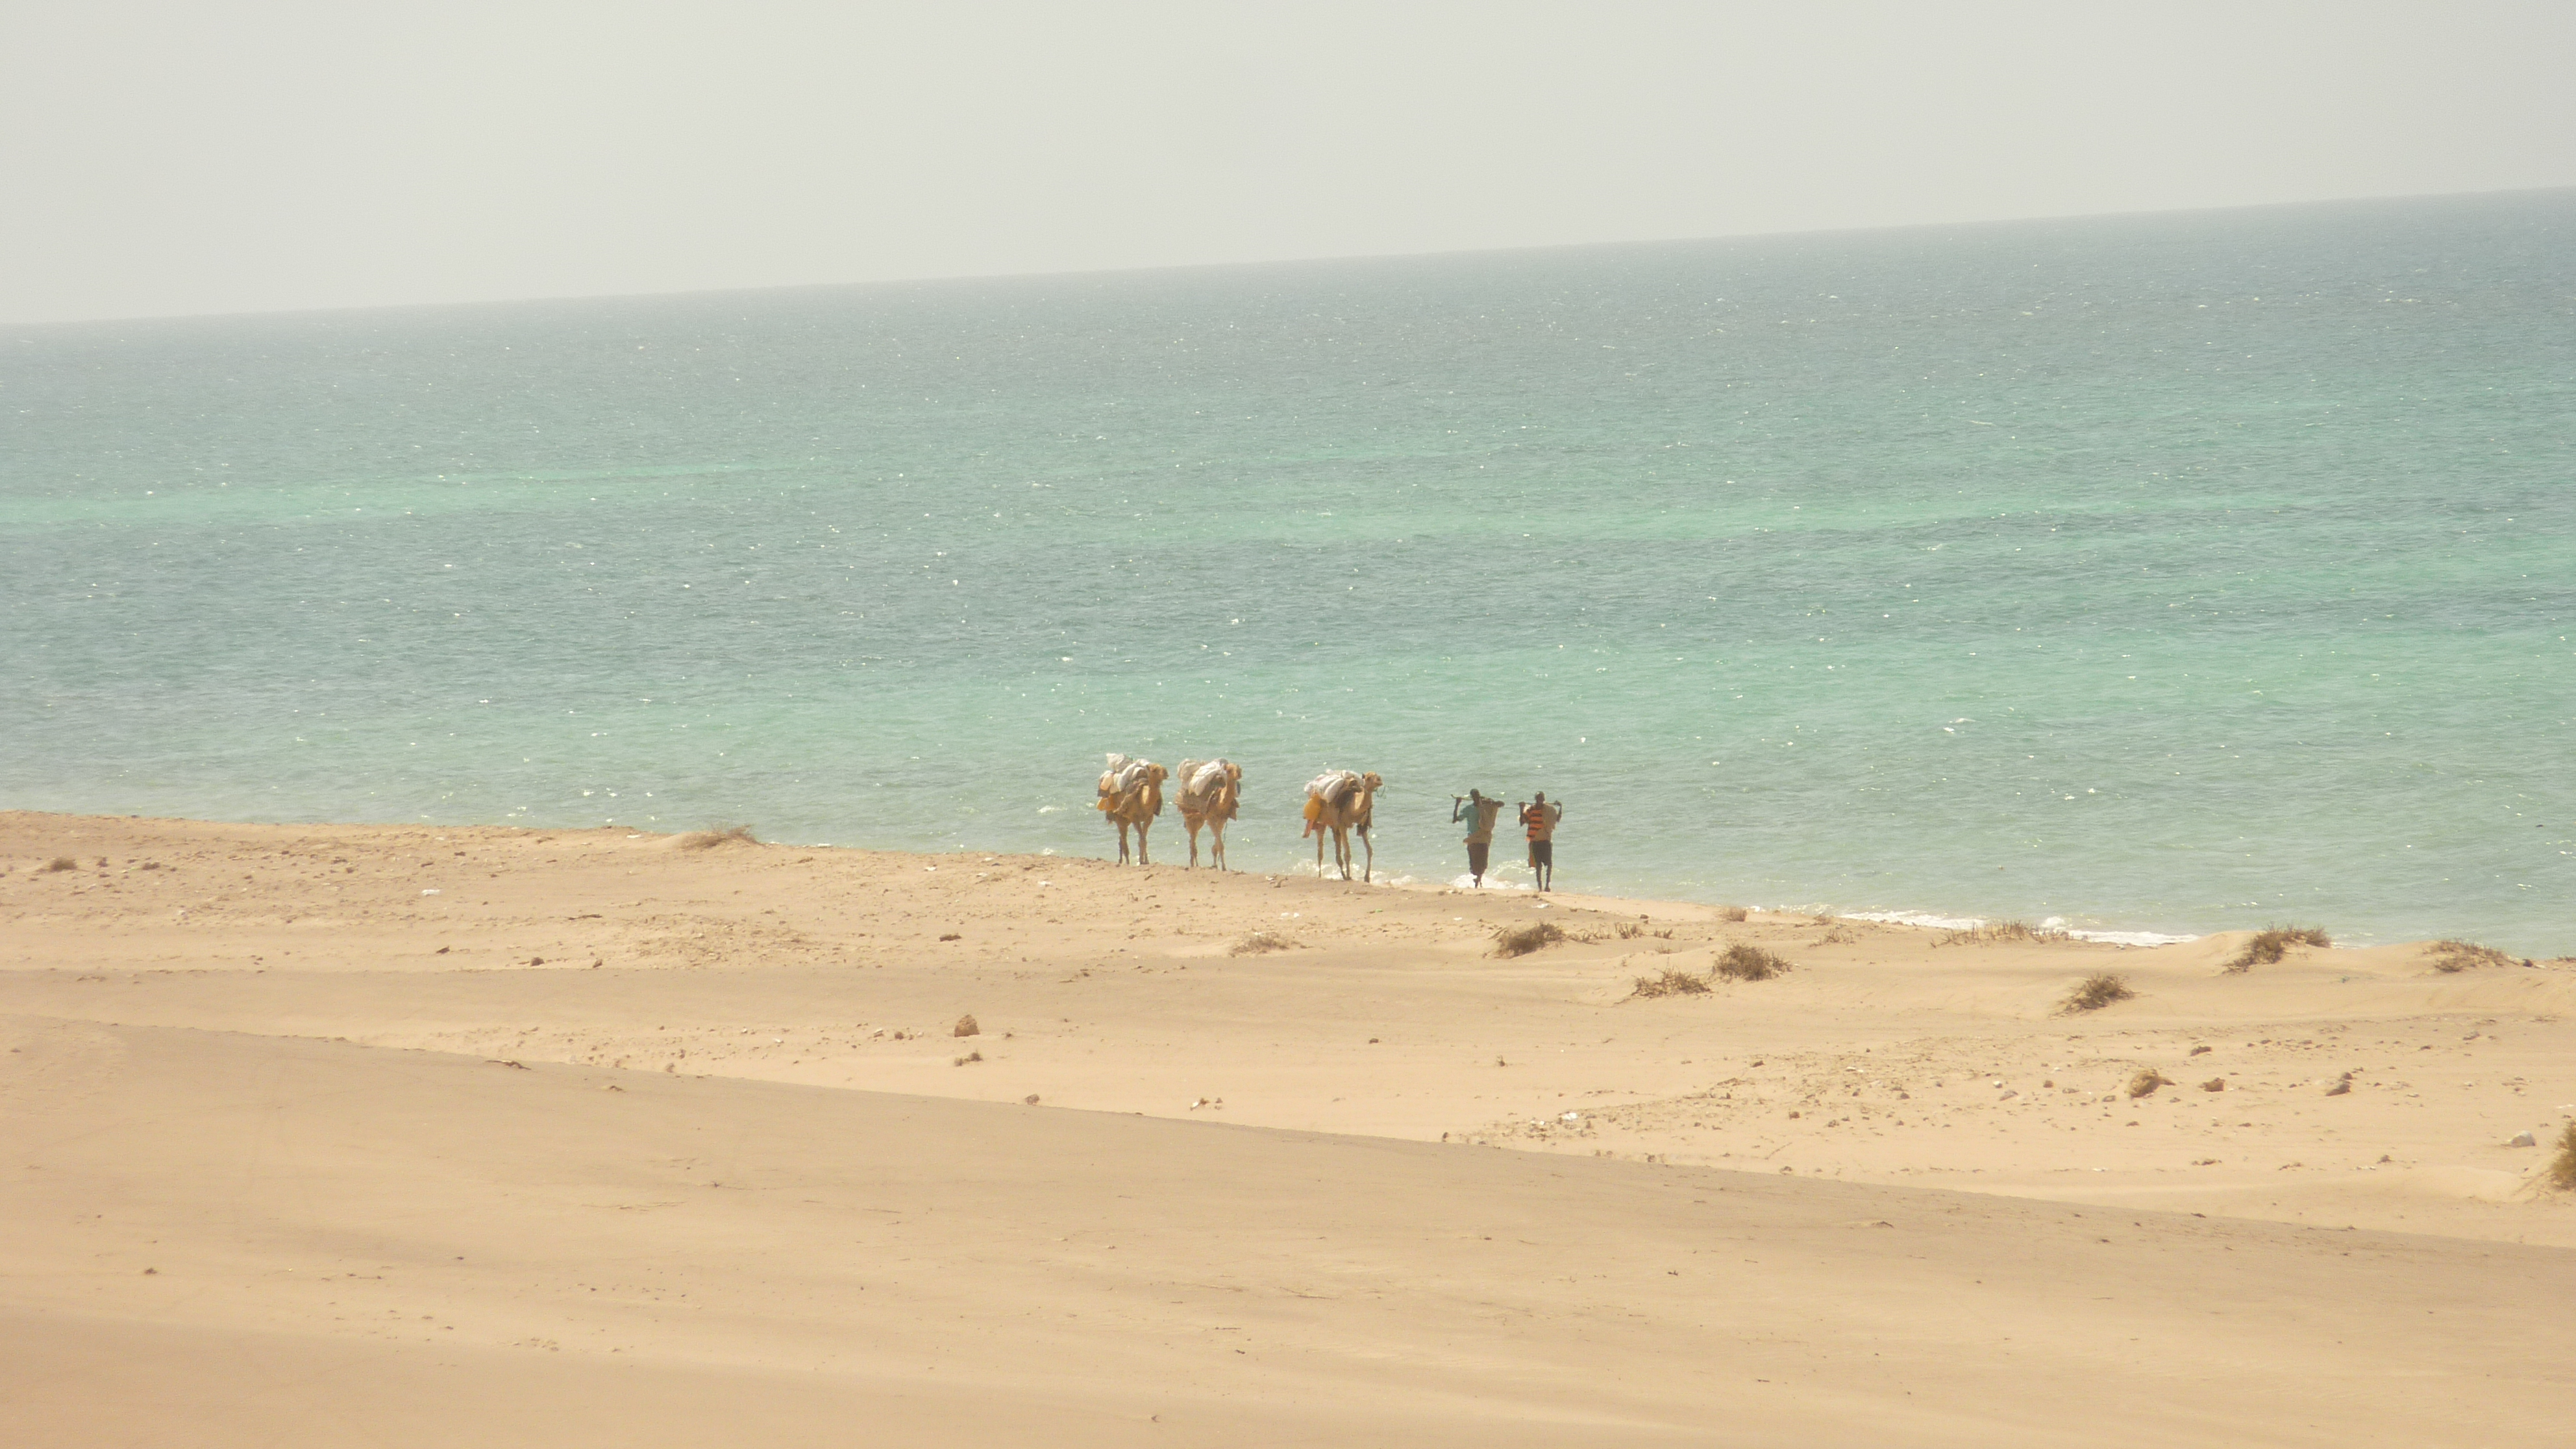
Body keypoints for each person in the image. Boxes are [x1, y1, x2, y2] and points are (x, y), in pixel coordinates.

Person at [1452, 788, 1505, 887]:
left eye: (1478, 797)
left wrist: (1494, 803)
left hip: (1484, 838)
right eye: (1474, 797)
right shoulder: (1469, 809)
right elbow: (1455, 820)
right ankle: (1477, 879)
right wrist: (1457, 804)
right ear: (1472, 798)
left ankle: (1478, 880)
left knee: (1483, 863)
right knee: (1474, 864)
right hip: (1473, 838)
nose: (1476, 799)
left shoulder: (1486, 808)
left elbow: (1501, 804)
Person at [1518, 791, 1562, 891]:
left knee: (1549, 864)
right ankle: (1540, 887)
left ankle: (1547, 885)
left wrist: (1560, 808)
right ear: (1536, 799)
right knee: (1538, 866)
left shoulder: (1549, 810)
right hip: (1535, 841)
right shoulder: (1531, 810)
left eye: (1542, 799)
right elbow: (1522, 822)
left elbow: (1557, 819)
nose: (1541, 801)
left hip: (1546, 841)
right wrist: (1521, 809)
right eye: (1539, 799)